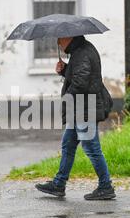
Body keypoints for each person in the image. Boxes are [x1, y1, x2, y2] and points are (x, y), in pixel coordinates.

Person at [35, 36, 116, 201]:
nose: (58, 42)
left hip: (85, 109)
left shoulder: (82, 53)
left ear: (69, 37)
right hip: (80, 108)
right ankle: (59, 184)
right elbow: (79, 75)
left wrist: (68, 97)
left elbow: (81, 82)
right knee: (68, 144)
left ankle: (105, 186)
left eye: (60, 39)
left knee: (91, 148)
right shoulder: (79, 51)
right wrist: (65, 70)